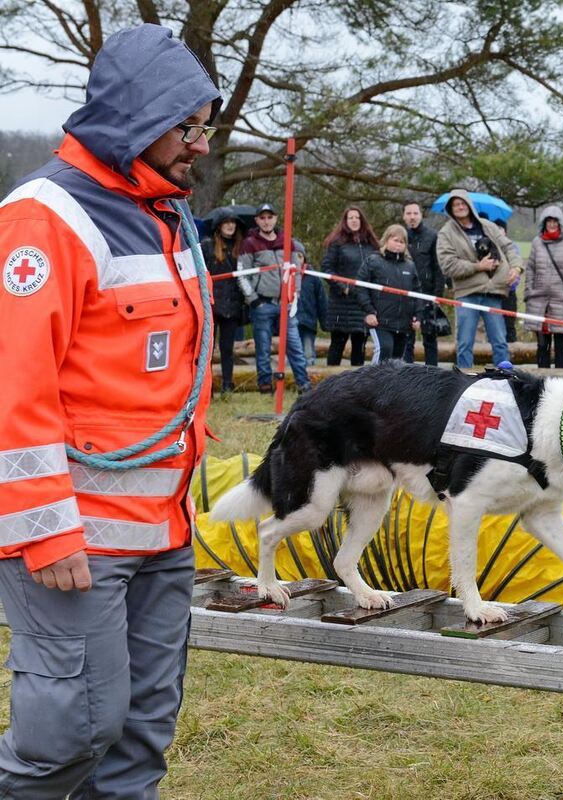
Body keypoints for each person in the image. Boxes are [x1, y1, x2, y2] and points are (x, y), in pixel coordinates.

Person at [0, 24, 220, 798]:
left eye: (204, 126)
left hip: (163, 530)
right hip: (74, 542)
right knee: (70, 736)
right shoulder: (44, 218)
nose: (198, 145)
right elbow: (11, 388)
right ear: (138, 115)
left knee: (137, 740)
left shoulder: (166, 215)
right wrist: (44, 529)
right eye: (186, 126)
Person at [436, 189, 522, 368]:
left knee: (499, 341)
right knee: (465, 343)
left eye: (462, 203)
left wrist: (517, 266)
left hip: (493, 291)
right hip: (467, 293)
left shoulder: (487, 226)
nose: (460, 207)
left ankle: (504, 378)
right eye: (455, 205)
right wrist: (478, 266)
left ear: (469, 205)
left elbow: (508, 246)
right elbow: (448, 265)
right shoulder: (446, 233)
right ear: (450, 209)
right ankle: (464, 380)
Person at [237, 202, 311, 394]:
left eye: (270, 217)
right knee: (263, 347)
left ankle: (304, 383)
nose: (267, 221)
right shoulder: (249, 243)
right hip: (263, 303)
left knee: (294, 345)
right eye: (262, 217)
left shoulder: (288, 242)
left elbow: (296, 272)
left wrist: (296, 295)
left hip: (286, 303)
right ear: (257, 221)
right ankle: (265, 385)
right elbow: (241, 273)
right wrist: (253, 300)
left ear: (276, 219)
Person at [523, 205, 563, 369]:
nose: (551, 224)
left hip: (561, 301)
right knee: (542, 346)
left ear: (560, 222)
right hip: (539, 301)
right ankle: (541, 384)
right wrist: (529, 290)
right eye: (548, 221)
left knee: (561, 347)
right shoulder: (537, 242)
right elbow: (530, 268)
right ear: (544, 223)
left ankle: (561, 383)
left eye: (554, 221)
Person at [322, 206, 379, 366]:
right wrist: (343, 288)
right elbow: (327, 269)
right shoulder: (336, 243)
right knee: (337, 344)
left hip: (363, 302)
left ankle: (357, 387)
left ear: (362, 221)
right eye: (350, 218)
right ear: (345, 221)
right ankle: (329, 383)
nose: (354, 220)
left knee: (359, 345)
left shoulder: (371, 245)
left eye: (357, 217)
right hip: (341, 303)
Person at [357, 224, 422, 362]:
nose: (398, 244)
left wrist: (418, 315)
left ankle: (392, 384)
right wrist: (368, 311)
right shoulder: (373, 261)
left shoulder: (410, 265)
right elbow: (361, 287)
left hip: (403, 323)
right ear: (386, 240)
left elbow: (417, 293)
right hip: (380, 321)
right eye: (395, 240)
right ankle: (372, 382)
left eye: (402, 241)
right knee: (384, 350)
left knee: (396, 360)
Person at [202, 214, 246, 393]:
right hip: (212, 305)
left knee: (227, 349)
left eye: (233, 222)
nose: (230, 225)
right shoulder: (207, 246)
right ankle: (207, 387)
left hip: (232, 305)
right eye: (227, 222)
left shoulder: (241, 248)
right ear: (219, 226)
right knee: (208, 350)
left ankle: (227, 385)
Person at [401, 201, 445, 365]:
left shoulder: (432, 236)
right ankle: (406, 374)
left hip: (427, 294)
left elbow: (438, 267)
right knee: (406, 339)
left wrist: (437, 295)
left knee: (429, 338)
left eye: (415, 213)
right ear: (404, 216)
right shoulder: (400, 236)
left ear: (421, 215)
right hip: (405, 294)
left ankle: (432, 373)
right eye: (409, 213)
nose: (412, 217)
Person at [492, 217, 521, 343]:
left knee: (509, 325)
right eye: (496, 229)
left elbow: (517, 267)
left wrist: (511, 282)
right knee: (494, 326)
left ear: (505, 231)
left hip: (509, 292)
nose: (498, 231)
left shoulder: (512, 247)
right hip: (493, 292)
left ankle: (511, 355)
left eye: (500, 229)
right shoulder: (489, 246)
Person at [297, 271, 328, 365]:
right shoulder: (286, 274)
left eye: (300, 256)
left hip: (308, 322)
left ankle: (309, 376)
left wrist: (325, 323)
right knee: (293, 354)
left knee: (308, 354)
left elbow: (322, 301)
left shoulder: (313, 277)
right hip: (290, 323)